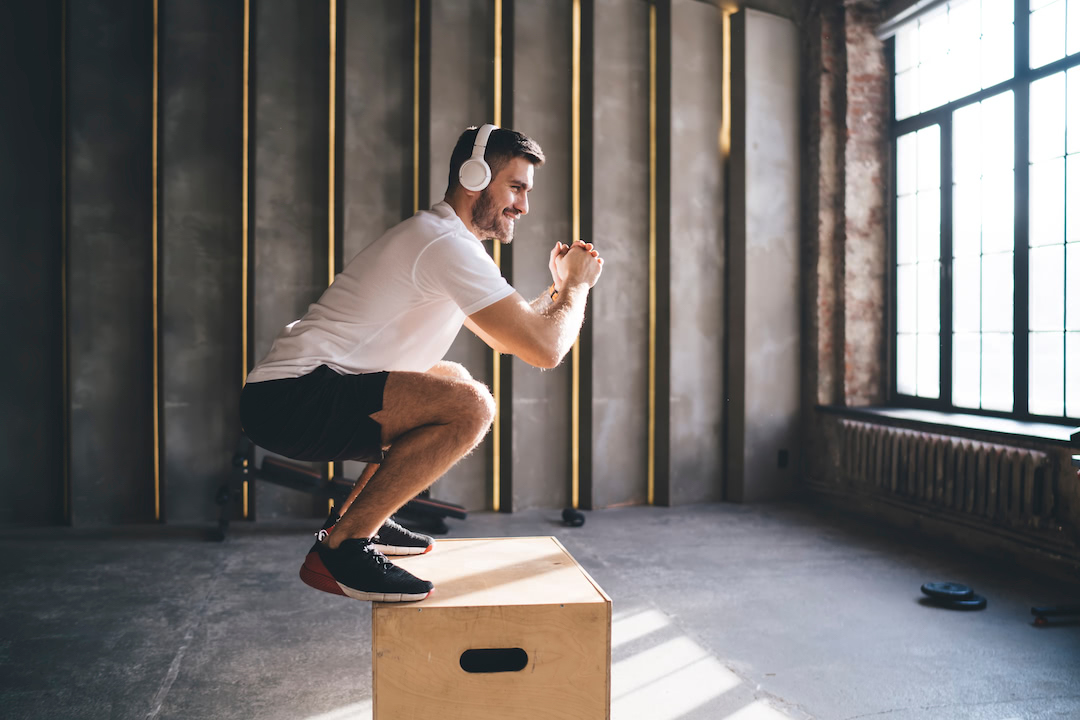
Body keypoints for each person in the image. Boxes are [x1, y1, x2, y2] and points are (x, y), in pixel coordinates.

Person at [239, 125, 604, 603]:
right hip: (292, 398)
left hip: (295, 392)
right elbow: (546, 350)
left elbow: (509, 336)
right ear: (474, 176)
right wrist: (577, 287)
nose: (524, 206)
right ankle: (343, 550)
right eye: (515, 188)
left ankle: (354, 516)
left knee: (452, 378)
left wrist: (558, 289)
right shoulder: (444, 245)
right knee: (470, 407)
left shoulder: (449, 241)